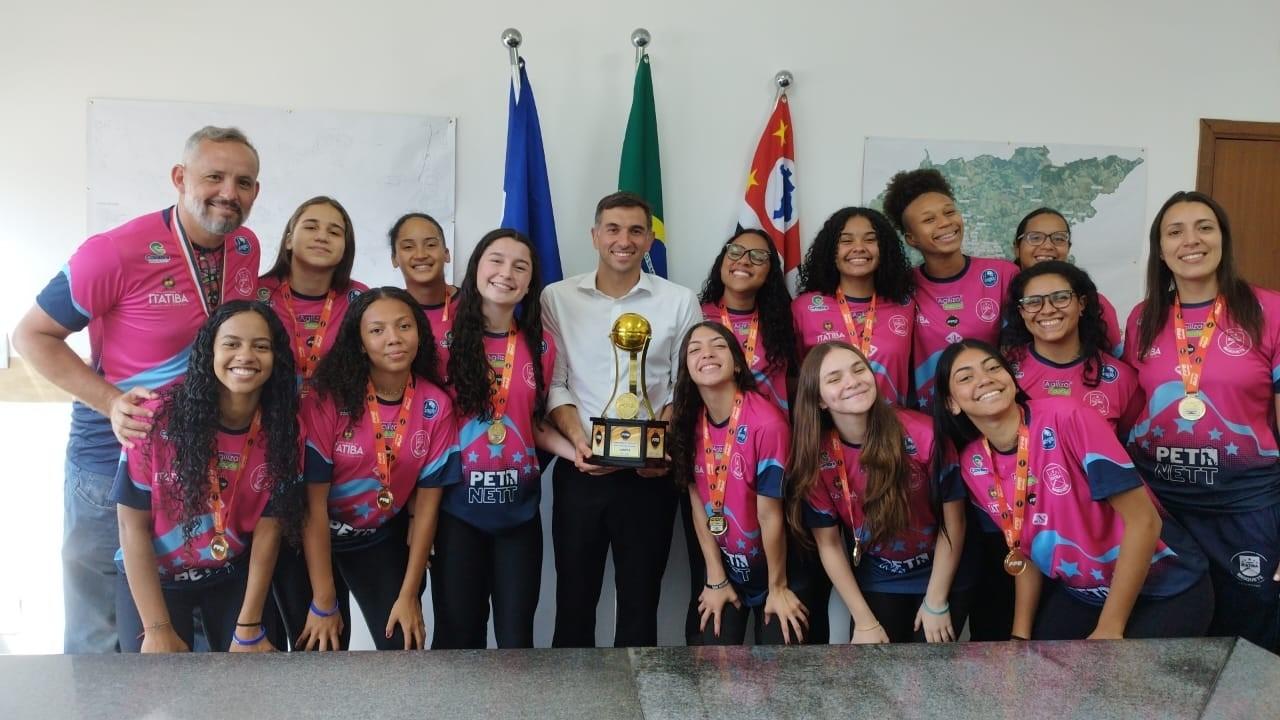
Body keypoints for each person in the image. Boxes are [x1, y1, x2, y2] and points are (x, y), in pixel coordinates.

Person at [14, 126, 263, 653]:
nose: (228, 192)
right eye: (213, 176)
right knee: (102, 624)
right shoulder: (113, 252)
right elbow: (30, 335)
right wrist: (109, 402)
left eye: (243, 182)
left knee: (180, 628)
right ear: (179, 178)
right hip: (113, 454)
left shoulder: (245, 247)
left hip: (200, 459)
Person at [934, 340, 1212, 640]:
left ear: (1012, 382)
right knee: (1041, 674)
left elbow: (1145, 521)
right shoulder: (973, 464)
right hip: (1086, 595)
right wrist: (1021, 636)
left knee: (1122, 680)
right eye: (966, 377)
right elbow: (1023, 549)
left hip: (1165, 588)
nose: (984, 379)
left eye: (993, 368)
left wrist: (1110, 628)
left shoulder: (1068, 417)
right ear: (952, 403)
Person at [542, 191, 701, 647]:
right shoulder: (557, 297)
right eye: (612, 229)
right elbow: (556, 382)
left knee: (640, 601)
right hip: (582, 469)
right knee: (574, 600)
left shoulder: (678, 300)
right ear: (595, 236)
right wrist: (579, 443)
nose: (623, 240)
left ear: (650, 239)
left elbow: (682, 384)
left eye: (635, 230)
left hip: (651, 475)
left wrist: (662, 445)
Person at [1124, 191, 1280, 649]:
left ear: (1223, 239)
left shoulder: (1269, 311)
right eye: (1175, 231)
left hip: (1245, 508)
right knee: (1170, 639)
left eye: (1204, 227)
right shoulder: (1142, 318)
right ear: (1160, 248)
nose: (1190, 240)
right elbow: (1133, 411)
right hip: (1164, 510)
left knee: (1250, 637)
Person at [275, 287, 461, 650]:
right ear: (359, 342)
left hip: (375, 539)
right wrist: (323, 599)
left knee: (403, 646)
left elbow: (426, 509)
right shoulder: (328, 400)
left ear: (420, 334)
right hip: (309, 542)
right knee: (319, 651)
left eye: (404, 326)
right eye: (377, 330)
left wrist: (409, 596)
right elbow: (312, 505)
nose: (393, 338)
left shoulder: (435, 406)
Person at [112, 301, 302, 652]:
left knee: (254, 686)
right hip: (157, 578)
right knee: (158, 694)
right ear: (208, 352)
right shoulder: (154, 418)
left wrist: (248, 626)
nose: (246, 356)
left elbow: (268, 530)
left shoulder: (282, 428)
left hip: (230, 573)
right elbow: (130, 526)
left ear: (276, 358)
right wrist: (156, 629)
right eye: (231, 344)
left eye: (260, 346)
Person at [431, 229, 574, 649]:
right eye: (496, 260)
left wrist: (576, 452)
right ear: (476, 267)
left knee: (516, 640)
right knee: (459, 638)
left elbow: (532, 423)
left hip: (519, 516)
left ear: (531, 283)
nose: (506, 273)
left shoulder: (542, 346)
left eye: (520, 266)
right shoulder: (441, 341)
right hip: (456, 515)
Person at [789, 342, 969, 643]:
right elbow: (830, 545)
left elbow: (955, 523)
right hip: (880, 578)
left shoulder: (924, 433)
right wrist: (863, 621)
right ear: (819, 400)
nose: (852, 381)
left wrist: (936, 602)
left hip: (943, 573)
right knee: (873, 679)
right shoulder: (816, 458)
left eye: (859, 369)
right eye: (834, 378)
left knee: (935, 680)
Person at [670, 322, 807, 645]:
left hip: (782, 568)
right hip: (728, 568)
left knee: (780, 661)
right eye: (694, 349)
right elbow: (697, 504)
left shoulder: (767, 422)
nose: (706, 353)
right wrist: (715, 577)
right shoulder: (688, 421)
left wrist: (777, 587)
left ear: (736, 362)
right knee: (710, 653)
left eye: (718, 346)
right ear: (686, 369)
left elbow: (769, 514)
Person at [881, 169, 1018, 409]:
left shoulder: (1002, 275)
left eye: (949, 212)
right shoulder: (901, 289)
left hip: (992, 410)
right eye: (929, 219)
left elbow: (1020, 352)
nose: (945, 223)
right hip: (930, 419)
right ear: (911, 238)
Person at [1001, 260, 1142, 437]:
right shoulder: (1003, 374)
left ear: (1081, 303)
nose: (1048, 310)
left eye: (1060, 298)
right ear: (1021, 312)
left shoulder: (1122, 379)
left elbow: (1127, 448)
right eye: (1033, 302)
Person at [793, 207, 916, 406]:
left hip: (891, 428)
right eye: (846, 240)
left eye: (870, 239)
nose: (859, 247)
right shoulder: (804, 308)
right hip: (828, 430)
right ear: (830, 250)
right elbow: (795, 376)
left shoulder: (906, 305)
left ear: (884, 248)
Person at [258, 196, 368, 392]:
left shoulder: (360, 299)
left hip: (335, 417)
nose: (322, 237)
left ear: (345, 247)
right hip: (266, 415)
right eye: (310, 227)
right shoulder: (257, 294)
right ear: (289, 240)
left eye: (334, 232)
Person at [698, 229, 797, 411]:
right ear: (722, 262)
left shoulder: (783, 320)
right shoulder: (696, 317)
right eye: (735, 251)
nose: (743, 260)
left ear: (770, 273)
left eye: (758, 256)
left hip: (770, 433)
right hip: (709, 434)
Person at [1012, 208, 1123, 356]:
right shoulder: (1000, 296)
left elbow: (1115, 359)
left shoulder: (1095, 303)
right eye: (1035, 237)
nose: (1047, 246)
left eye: (1058, 238)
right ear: (1017, 248)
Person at [390, 212, 456, 380]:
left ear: (446, 254)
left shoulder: (474, 304)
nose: (420, 255)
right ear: (395, 259)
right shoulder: (388, 311)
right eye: (408, 247)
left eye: (431, 245)